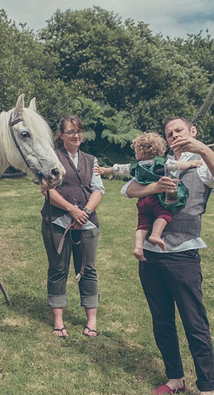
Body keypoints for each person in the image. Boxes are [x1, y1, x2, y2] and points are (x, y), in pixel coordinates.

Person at [122, 117, 214, 395]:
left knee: (194, 322)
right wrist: (153, 187)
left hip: (183, 253)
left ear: (193, 132)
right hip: (150, 253)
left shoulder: (201, 160)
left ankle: (207, 392)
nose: (174, 135)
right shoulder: (157, 160)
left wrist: (203, 149)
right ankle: (175, 379)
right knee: (161, 320)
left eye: (179, 131)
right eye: (169, 133)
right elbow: (128, 190)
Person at [40, 115, 104, 338]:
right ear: (61, 135)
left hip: (87, 222)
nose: (76, 135)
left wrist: (84, 212)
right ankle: (58, 321)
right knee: (58, 269)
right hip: (57, 221)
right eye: (70, 132)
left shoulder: (91, 160)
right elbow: (47, 190)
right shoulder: (51, 158)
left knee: (88, 270)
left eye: (79, 131)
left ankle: (92, 321)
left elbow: (98, 190)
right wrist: (71, 209)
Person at [95, 132, 203, 260]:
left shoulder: (136, 166)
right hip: (157, 199)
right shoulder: (161, 164)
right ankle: (155, 235)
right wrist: (191, 164)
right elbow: (178, 166)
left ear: (140, 153)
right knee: (164, 215)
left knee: (143, 224)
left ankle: (138, 247)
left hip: (143, 200)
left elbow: (119, 169)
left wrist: (104, 170)